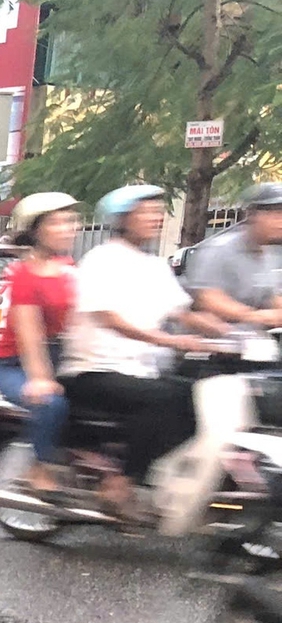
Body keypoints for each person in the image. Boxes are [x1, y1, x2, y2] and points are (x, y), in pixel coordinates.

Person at [59, 184, 224, 519]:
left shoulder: (155, 266)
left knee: (200, 397)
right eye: (147, 211)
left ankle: (148, 477)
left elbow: (181, 312)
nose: (156, 218)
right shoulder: (100, 260)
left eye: (158, 211)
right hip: (94, 371)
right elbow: (109, 319)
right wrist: (169, 341)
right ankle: (121, 482)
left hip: (140, 372)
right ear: (123, 219)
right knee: (169, 399)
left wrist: (222, 330)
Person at [0, 192, 79, 493]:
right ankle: (39, 467)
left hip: (60, 358)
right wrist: (40, 379)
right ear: (36, 230)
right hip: (17, 365)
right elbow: (29, 335)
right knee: (52, 405)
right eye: (57, 222)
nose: (68, 228)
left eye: (70, 221)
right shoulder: (24, 274)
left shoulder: (68, 267)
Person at [182, 181, 282, 328]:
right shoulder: (220, 249)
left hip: (253, 342)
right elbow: (208, 298)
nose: (280, 223)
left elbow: (271, 297)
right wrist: (254, 316)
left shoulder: (268, 254)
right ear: (252, 215)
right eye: (276, 215)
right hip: (213, 344)